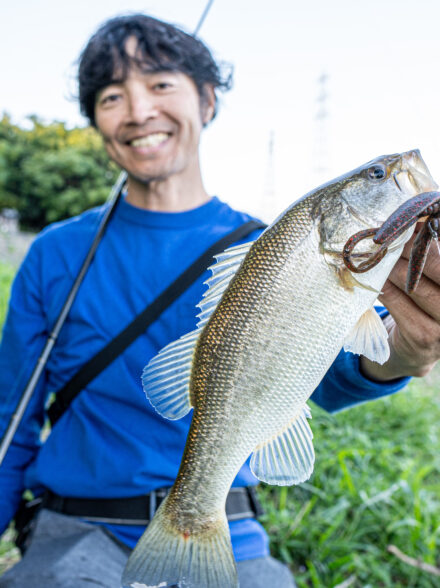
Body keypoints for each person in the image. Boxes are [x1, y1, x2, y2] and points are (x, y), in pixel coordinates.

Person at [0, 13, 439, 588]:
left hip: (230, 528)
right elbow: (10, 421)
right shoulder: (56, 252)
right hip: (73, 525)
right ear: (96, 120)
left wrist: (407, 355)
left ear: (207, 100)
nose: (138, 111)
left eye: (160, 84)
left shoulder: (272, 245)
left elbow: (331, 375)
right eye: (112, 95)